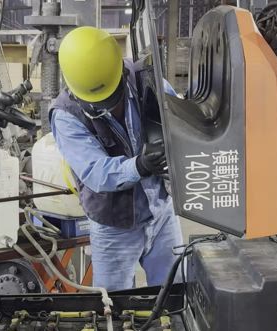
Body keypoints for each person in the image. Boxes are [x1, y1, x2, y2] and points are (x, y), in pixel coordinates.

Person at [50, 26, 183, 291]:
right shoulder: (66, 114)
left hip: (162, 212)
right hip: (113, 226)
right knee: (113, 304)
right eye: (99, 102)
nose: (109, 105)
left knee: (175, 293)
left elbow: (178, 118)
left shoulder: (146, 79)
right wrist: (140, 165)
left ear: (121, 71)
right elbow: (96, 172)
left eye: (112, 96)